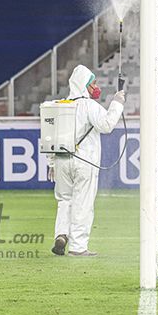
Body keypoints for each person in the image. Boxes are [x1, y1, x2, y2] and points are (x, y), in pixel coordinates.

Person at [49, 65, 125, 256]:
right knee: (83, 202)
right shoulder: (89, 106)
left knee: (64, 200)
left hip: (61, 161)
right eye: (94, 83)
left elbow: (50, 137)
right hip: (85, 161)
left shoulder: (60, 105)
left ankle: (61, 234)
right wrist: (117, 103)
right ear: (85, 85)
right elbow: (107, 125)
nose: (96, 87)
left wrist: (51, 164)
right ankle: (78, 246)